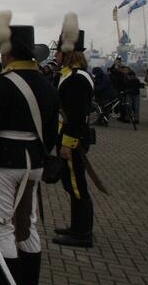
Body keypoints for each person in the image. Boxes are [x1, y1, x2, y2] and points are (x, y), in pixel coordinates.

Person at [0, 10, 59, 285]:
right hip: (35, 165)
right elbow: (51, 134)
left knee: (2, 228)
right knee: (27, 227)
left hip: (5, 165)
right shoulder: (48, 85)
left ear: (7, 53)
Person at [51, 13, 96, 248]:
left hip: (73, 140)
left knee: (76, 185)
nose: (56, 56)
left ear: (68, 53)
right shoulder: (71, 76)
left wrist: (67, 144)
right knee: (72, 184)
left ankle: (82, 233)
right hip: (71, 137)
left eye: (58, 52)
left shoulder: (76, 79)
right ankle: (77, 226)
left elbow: (77, 117)